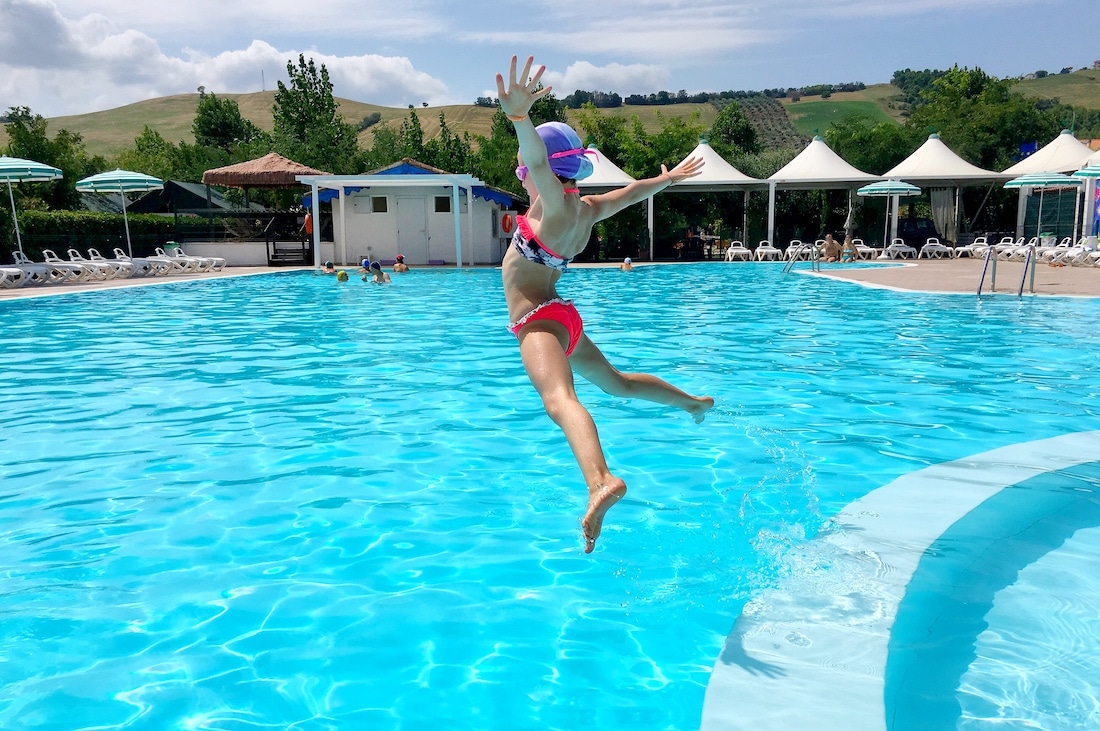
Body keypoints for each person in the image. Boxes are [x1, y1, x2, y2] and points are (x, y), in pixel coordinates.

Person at [496, 55, 714, 553]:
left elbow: (532, 160)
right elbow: (632, 192)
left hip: (538, 320)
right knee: (615, 383)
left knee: (560, 401)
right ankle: (692, 403)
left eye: (528, 173)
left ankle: (600, 481)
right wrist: (669, 179)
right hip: (563, 317)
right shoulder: (588, 209)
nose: (524, 178)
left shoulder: (550, 204)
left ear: (546, 173)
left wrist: (519, 117)